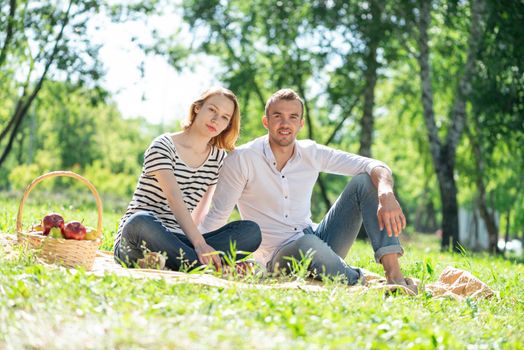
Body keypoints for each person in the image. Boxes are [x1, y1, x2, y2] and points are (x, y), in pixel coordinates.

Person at [200, 88, 414, 290]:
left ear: (301, 123)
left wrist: (386, 193)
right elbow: (218, 215)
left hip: (316, 239)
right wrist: (198, 251)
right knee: (306, 244)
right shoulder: (242, 159)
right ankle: (356, 279)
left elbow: (373, 165)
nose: (285, 123)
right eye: (278, 116)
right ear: (266, 121)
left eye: (293, 117)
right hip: (276, 257)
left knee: (365, 182)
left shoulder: (311, 152)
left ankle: (394, 276)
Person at [114, 87, 261, 271]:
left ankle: (180, 262)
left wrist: (202, 243)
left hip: (180, 240)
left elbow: (202, 209)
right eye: (212, 110)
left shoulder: (217, 158)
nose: (216, 120)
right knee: (140, 221)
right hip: (139, 238)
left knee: (250, 232)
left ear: (228, 124)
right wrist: (200, 245)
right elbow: (174, 198)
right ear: (198, 108)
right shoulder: (163, 145)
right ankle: (211, 267)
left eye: (225, 117)